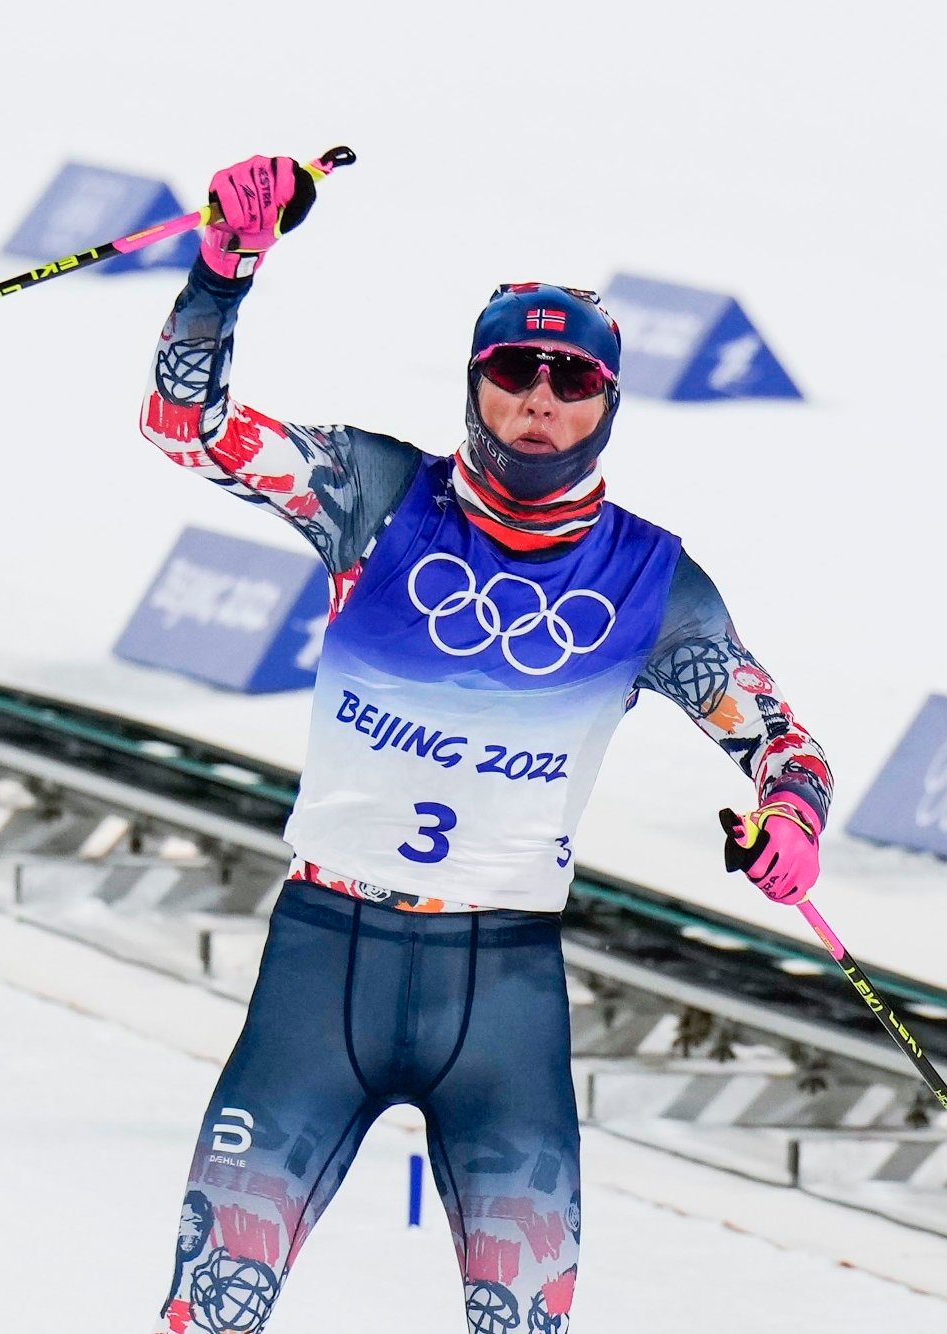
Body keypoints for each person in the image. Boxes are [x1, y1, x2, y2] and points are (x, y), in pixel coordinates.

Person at [140, 154, 833, 1334]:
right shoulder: (372, 493)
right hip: (324, 961)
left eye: (572, 379)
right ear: (474, 382)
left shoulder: (652, 584)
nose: (540, 398)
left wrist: (793, 821)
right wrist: (221, 271)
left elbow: (779, 742)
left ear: (607, 403)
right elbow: (184, 426)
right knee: (208, 1312)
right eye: (515, 369)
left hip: (501, 989)